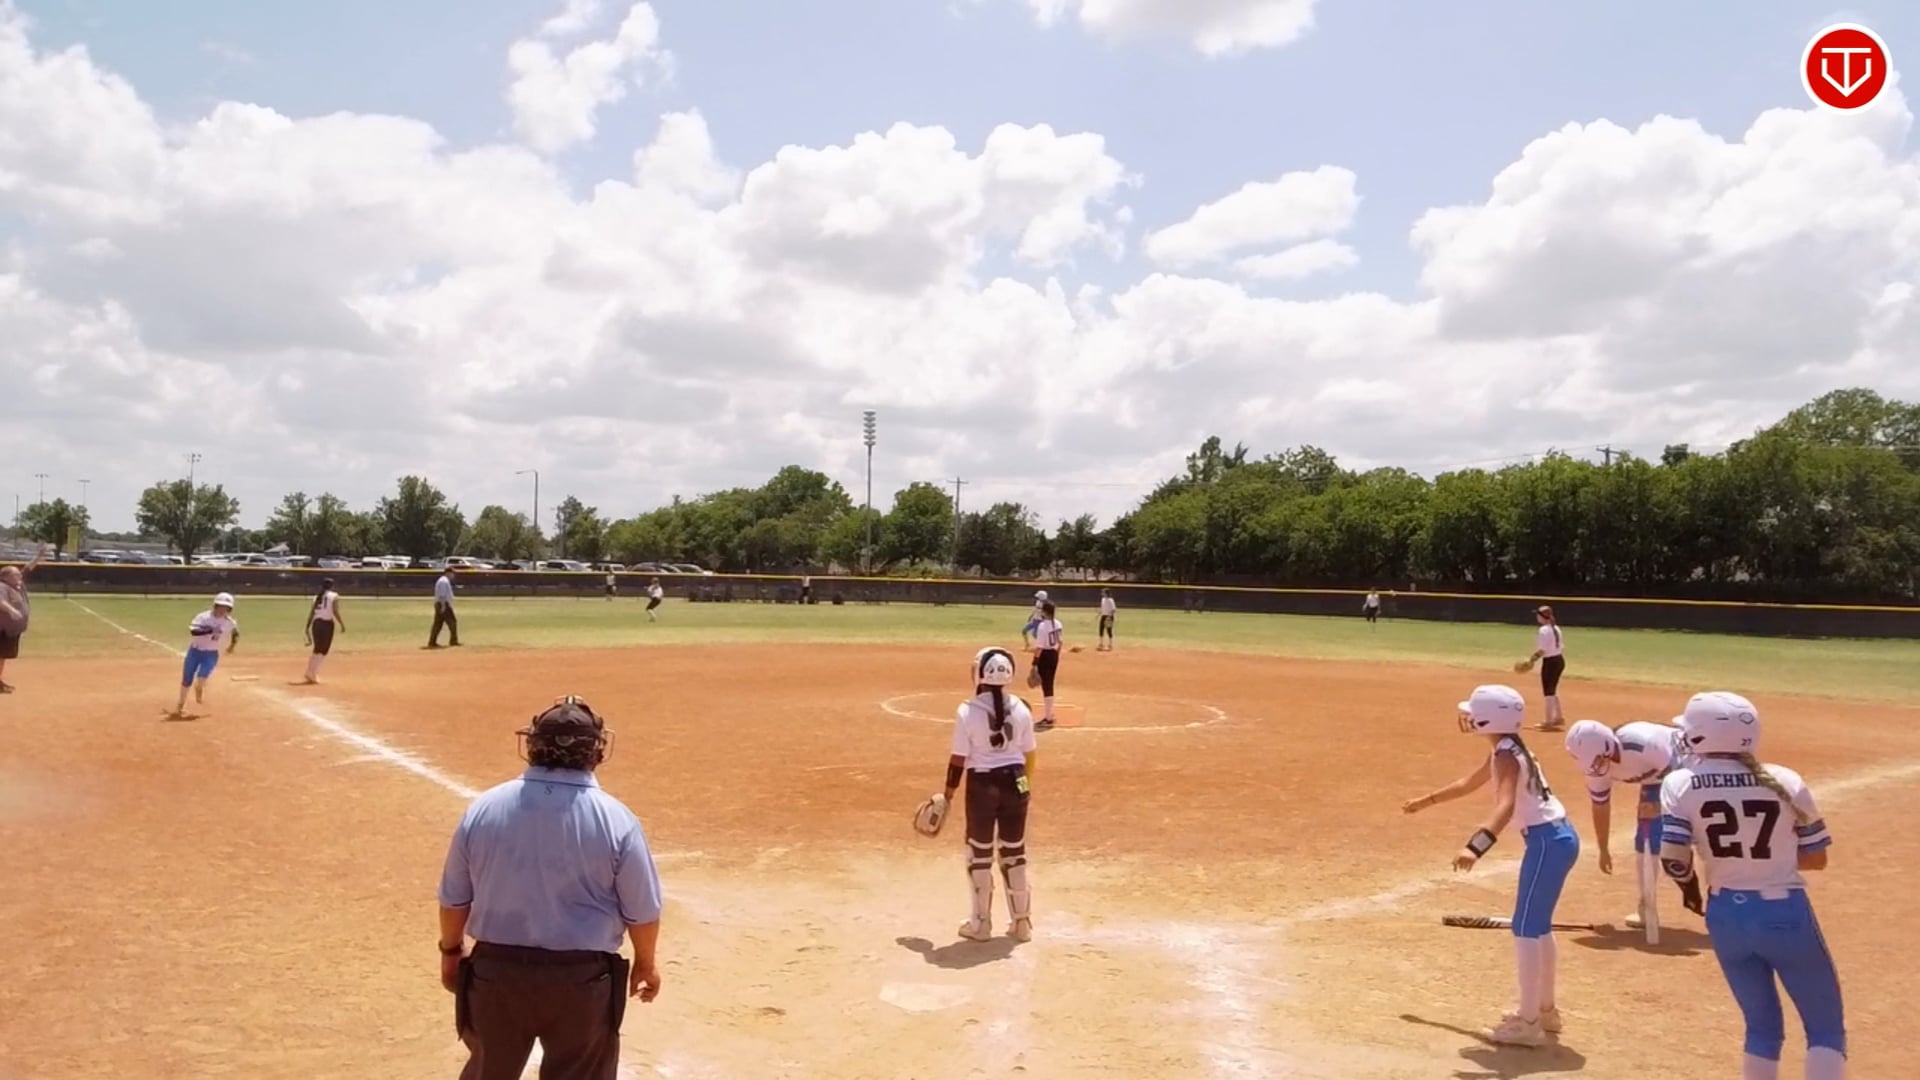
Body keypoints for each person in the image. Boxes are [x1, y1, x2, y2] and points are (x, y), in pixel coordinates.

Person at [438, 695, 665, 1080]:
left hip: (497, 975)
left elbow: (454, 898)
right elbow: (642, 910)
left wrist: (450, 951)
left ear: (532, 744)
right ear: (596, 750)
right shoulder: (617, 818)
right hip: (582, 982)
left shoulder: (484, 808)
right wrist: (646, 962)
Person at [1659, 691, 1845, 1079]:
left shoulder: (1679, 783)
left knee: (1761, 1029)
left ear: (1700, 735)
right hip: (1783, 912)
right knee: (1825, 1029)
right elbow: (1817, 858)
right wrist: (1772, 859)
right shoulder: (1785, 780)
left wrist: (1692, 889)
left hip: (1725, 915)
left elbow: (1674, 859)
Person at [1403, 683, 1580, 1047]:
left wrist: (1475, 847)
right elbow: (1468, 783)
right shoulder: (1509, 747)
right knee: (1538, 927)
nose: (1468, 717)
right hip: (1557, 839)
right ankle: (1544, 1011)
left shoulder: (1506, 757)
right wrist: (1426, 801)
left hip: (1547, 843)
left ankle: (1529, 1023)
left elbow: (1505, 806)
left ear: (1487, 720)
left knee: (1525, 929)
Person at [931, 647, 1038, 942]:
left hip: (983, 785)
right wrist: (1024, 788)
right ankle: (1022, 924)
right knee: (1015, 852)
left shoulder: (967, 711)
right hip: (1017, 782)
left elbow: (958, 760)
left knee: (979, 854)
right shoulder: (1022, 708)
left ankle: (981, 924)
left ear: (980, 674)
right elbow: (1030, 754)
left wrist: (948, 795)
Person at [1564, 719, 1697, 937]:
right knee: (1645, 841)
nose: (1596, 767)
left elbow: (1681, 778)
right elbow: (1600, 805)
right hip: (1655, 778)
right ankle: (1646, 908)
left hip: (1688, 766)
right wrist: (1603, 848)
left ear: (1608, 747)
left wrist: (1664, 807)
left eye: (1598, 760)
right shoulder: (1595, 769)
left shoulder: (1644, 743)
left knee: (1696, 834)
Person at [175, 592, 240, 715]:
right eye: (220, 606)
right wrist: (210, 630)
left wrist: (232, 646)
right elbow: (194, 631)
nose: (222, 610)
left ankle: (199, 688)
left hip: (211, 654)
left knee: (201, 678)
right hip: (194, 651)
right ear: (215, 605)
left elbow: (236, 633)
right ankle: (181, 704)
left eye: (226, 607)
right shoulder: (203, 617)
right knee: (187, 679)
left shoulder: (229, 622)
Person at [0, 545, 47, 693]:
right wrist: (11, 610)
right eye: (16, 575)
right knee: (0, 656)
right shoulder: (2, 586)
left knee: (3, 656)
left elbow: (27, 569)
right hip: (3, 630)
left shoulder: (17, 584)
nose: (19, 576)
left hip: (10, 631)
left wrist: (39, 557)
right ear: (6, 577)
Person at [1527, 605, 1568, 731]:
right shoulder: (1556, 628)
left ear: (1542, 617)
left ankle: (1548, 721)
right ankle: (1558, 717)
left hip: (1550, 662)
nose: (1536, 616)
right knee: (1552, 690)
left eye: (1538, 614)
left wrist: (1531, 660)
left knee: (1548, 692)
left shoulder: (1544, 630)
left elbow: (1542, 650)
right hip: (1559, 660)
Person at [302, 578, 345, 685]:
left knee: (317, 649)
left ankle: (310, 671)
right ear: (332, 586)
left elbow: (312, 613)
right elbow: (335, 611)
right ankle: (312, 673)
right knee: (324, 650)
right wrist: (341, 623)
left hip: (316, 623)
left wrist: (307, 627)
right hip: (327, 624)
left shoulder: (316, 597)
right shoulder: (334, 595)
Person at [1029, 600, 1064, 731]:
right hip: (1054, 655)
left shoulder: (1042, 626)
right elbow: (1061, 642)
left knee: (1047, 686)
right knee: (1049, 684)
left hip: (1045, 656)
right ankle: (1049, 714)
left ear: (1045, 612)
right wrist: (1056, 656)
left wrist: (1034, 663)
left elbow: (1039, 648)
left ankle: (1048, 718)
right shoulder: (1058, 624)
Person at [430, 565, 461, 648]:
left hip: (440, 604)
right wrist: (443, 605)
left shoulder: (442, 580)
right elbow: (442, 595)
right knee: (452, 622)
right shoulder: (444, 581)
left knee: (438, 624)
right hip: (443, 604)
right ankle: (453, 641)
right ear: (448, 573)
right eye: (453, 573)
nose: (453, 575)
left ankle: (432, 642)